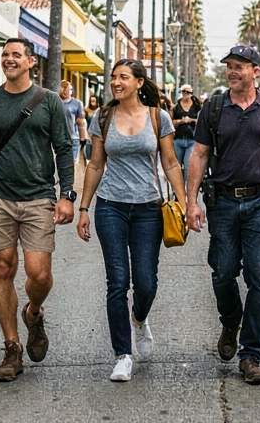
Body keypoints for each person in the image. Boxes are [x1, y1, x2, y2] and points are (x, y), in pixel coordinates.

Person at [185, 45, 260, 385]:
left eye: (239, 66)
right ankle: (230, 320)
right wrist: (191, 201)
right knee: (223, 273)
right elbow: (199, 154)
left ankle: (251, 355)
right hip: (222, 203)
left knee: (258, 276)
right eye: (229, 66)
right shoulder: (214, 107)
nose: (232, 71)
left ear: (255, 70)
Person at [0, 38, 76, 382]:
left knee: (39, 274)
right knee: (3, 266)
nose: (9, 59)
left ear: (30, 63)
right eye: (5, 55)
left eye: (16, 55)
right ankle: (12, 348)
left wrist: (66, 194)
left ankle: (33, 312)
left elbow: (63, 148)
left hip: (39, 195)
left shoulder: (49, 102)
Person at [76, 59, 187, 382]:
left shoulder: (158, 116)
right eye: (113, 77)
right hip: (110, 206)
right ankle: (122, 354)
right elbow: (95, 165)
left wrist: (184, 203)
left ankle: (139, 318)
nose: (116, 82)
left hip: (149, 209)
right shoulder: (103, 117)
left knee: (146, 282)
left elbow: (170, 162)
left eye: (123, 77)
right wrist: (84, 208)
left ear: (139, 82)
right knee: (117, 282)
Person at [59, 80, 90, 173]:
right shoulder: (56, 101)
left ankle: (69, 183)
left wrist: (84, 138)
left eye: (71, 89)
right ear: (64, 89)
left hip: (73, 137)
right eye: (69, 89)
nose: (71, 91)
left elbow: (80, 121)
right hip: (59, 138)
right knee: (61, 163)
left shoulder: (77, 103)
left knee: (72, 162)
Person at [171, 85, 201, 178]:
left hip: (192, 139)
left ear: (191, 94)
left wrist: (191, 120)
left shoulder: (196, 106)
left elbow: (201, 121)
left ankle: (187, 189)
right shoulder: (176, 106)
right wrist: (180, 121)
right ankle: (177, 190)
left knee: (189, 166)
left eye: (188, 92)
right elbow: (171, 122)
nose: (185, 94)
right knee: (176, 166)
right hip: (178, 138)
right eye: (183, 91)